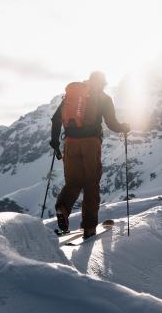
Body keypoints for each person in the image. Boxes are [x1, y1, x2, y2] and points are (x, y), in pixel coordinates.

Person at [49, 71, 130, 237]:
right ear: (103, 82)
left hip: (70, 144)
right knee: (91, 184)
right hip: (91, 144)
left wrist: (55, 142)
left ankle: (63, 207)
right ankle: (89, 227)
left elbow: (56, 119)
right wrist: (124, 127)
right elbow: (112, 124)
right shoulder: (104, 98)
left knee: (73, 182)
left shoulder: (73, 96)